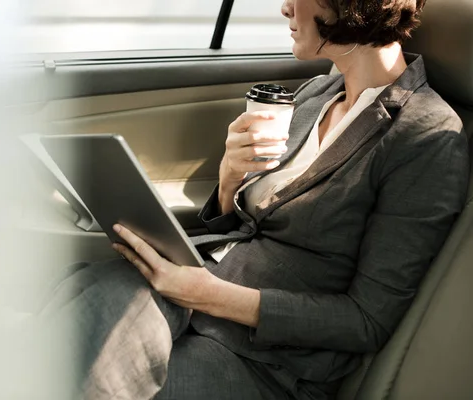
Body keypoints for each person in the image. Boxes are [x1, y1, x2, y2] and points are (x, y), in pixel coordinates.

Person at [31, 0, 470, 399]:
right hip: (198, 300)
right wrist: (229, 179)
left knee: (98, 327)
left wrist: (206, 294)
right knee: (102, 297)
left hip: (269, 363)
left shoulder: (426, 135)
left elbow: (365, 320)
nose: (284, 8)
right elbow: (247, 225)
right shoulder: (315, 94)